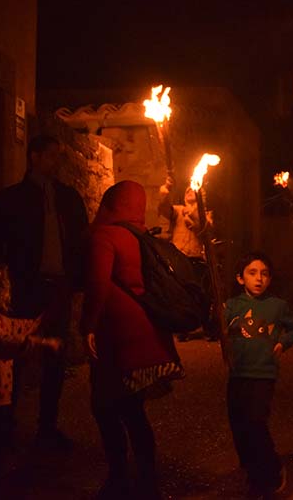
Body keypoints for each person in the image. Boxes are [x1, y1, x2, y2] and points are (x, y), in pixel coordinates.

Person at [81, 181, 184, 499]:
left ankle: (118, 478)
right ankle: (147, 479)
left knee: (104, 407)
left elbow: (98, 285)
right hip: (146, 334)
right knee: (132, 409)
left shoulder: (105, 235)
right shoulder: (141, 237)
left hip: (116, 338)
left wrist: (88, 325)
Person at [0, 134, 88, 450]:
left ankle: (47, 427)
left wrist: (76, 282)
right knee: (15, 355)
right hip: (25, 286)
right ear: (33, 156)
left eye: (58, 156)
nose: (56, 162)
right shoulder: (11, 200)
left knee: (55, 357)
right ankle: (5, 424)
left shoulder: (68, 198)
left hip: (59, 287)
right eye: (50, 155)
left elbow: (79, 242)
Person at [224, 252, 293, 497]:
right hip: (238, 372)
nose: (259, 278)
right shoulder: (232, 306)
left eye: (264, 274)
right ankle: (252, 470)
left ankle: (270, 470)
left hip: (263, 372)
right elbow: (217, 327)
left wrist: (284, 342)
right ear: (240, 278)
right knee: (239, 424)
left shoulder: (277, 306)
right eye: (252, 273)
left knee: (256, 422)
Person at [0, 265, 61, 453]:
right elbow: (1, 342)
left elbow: (17, 328)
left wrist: (44, 317)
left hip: (1, 395)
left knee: (1, 441)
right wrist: (42, 343)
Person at [158, 179, 217, 342]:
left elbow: (204, 227)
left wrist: (194, 211)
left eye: (194, 189)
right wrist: (165, 190)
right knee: (181, 295)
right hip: (179, 258)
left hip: (197, 259)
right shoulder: (178, 211)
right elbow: (164, 208)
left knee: (202, 294)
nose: (190, 190)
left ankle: (208, 327)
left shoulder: (206, 214)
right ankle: (183, 327)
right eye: (187, 189)